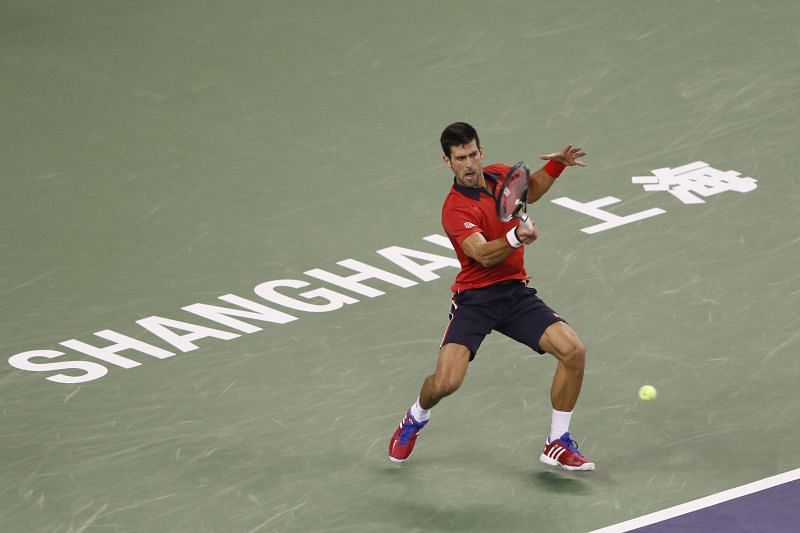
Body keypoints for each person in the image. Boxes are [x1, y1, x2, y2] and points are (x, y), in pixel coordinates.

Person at [388, 122, 594, 471]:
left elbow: (532, 191)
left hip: (514, 294)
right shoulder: (454, 209)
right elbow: (482, 254)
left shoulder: (500, 177)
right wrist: (517, 238)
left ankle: (556, 442)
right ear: (447, 163)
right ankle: (416, 416)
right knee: (446, 383)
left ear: (481, 151)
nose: (468, 164)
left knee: (573, 351)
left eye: (472, 155)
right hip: (475, 300)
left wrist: (556, 166)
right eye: (460, 158)